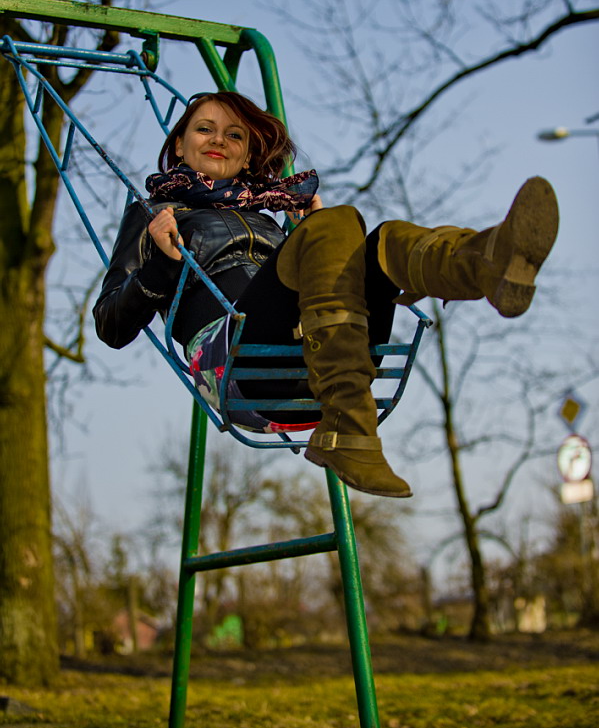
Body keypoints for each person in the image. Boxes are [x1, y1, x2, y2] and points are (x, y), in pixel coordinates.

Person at [94, 91, 559, 499]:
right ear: (178, 144)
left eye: (235, 135)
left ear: (249, 156)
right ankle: (350, 426)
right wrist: (161, 263)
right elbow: (110, 325)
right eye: (204, 129)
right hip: (239, 367)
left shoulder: (270, 218)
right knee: (337, 222)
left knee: (381, 240)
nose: (219, 140)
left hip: (318, 363)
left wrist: (307, 236)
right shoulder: (155, 214)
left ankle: (486, 261)